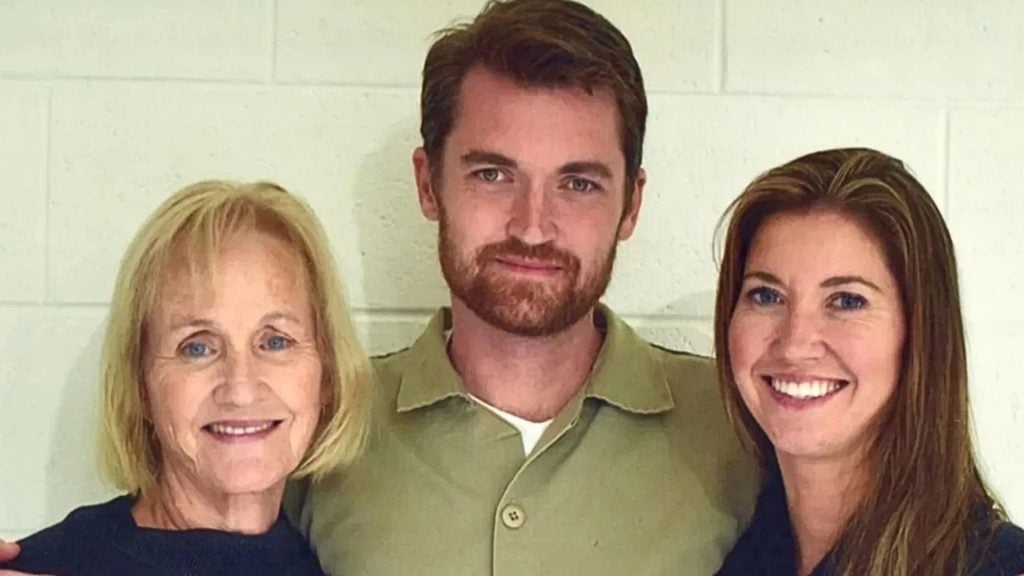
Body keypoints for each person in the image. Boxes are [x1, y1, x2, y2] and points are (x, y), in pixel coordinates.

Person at [283, 1, 758, 575]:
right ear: (428, 184)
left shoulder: (739, 428)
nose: (533, 226)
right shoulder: (322, 425)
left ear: (631, 204)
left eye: (578, 183)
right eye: (493, 175)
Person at [0, 181, 372, 575]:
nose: (241, 389)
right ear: (140, 385)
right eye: (198, 347)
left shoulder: (331, 563)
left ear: (327, 374)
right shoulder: (51, 566)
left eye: (275, 341)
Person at [712, 147, 1024, 576]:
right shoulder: (726, 545)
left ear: (919, 334)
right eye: (766, 296)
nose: (795, 344)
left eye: (846, 301)